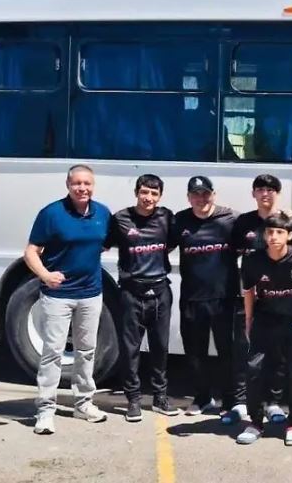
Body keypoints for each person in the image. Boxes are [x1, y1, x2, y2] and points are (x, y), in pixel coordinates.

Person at [23, 164, 111, 435]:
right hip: (57, 297)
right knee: (53, 353)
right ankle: (45, 411)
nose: (82, 188)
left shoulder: (102, 213)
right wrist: (45, 275)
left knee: (87, 351)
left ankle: (83, 404)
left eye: (87, 183)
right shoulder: (51, 214)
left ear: (93, 185)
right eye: (77, 183)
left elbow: (103, 243)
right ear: (68, 185)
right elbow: (31, 251)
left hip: (91, 294)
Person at [105, 174, 180, 422]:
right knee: (130, 349)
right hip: (131, 292)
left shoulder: (166, 217)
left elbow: (172, 244)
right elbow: (104, 244)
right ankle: (133, 400)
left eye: (154, 193)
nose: (148, 197)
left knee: (160, 347)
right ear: (137, 193)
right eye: (144, 192)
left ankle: (160, 398)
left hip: (160, 291)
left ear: (160, 196)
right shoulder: (121, 218)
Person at [237, 213, 292, 446]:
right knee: (254, 369)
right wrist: (248, 319)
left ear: (289, 235)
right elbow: (248, 291)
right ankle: (256, 422)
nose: (273, 237)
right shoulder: (253, 259)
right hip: (264, 320)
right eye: (270, 232)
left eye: (279, 232)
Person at [172, 175, 240, 417]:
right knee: (195, 354)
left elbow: (257, 234)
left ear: (213, 195)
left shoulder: (231, 219)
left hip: (224, 298)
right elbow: (160, 244)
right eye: (196, 194)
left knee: (227, 352)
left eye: (205, 194)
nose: (201, 199)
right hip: (192, 298)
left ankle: (229, 400)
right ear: (189, 197)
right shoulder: (179, 220)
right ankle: (202, 398)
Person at [228, 173, 286, 425]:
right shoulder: (243, 222)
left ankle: (274, 402)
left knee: (277, 353)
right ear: (253, 194)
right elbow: (231, 257)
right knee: (244, 349)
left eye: (271, 189)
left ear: (277, 194)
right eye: (260, 189)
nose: (265, 193)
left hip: (278, 298)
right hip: (249, 297)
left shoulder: (286, 221)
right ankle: (241, 401)